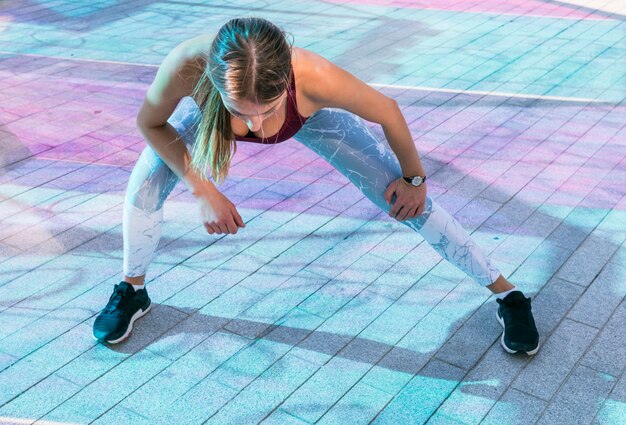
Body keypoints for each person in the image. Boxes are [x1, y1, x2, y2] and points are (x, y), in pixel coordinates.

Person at [92, 17, 539, 355]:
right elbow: (149, 122)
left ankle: (508, 294)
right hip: (205, 123)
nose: (254, 125)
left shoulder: (314, 77)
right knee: (146, 180)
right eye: (242, 111)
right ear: (211, 81)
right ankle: (132, 290)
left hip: (311, 120)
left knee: (403, 200)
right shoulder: (189, 65)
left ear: (285, 81)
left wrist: (414, 179)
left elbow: (388, 111)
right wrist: (202, 188)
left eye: (265, 110)